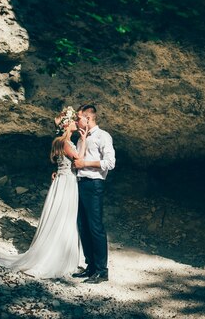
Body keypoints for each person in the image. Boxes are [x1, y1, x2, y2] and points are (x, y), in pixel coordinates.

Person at [0, 106, 87, 279]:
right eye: (73, 120)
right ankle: (57, 257)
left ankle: (63, 253)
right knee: (64, 216)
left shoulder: (61, 142)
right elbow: (78, 160)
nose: (76, 123)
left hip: (64, 180)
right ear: (67, 125)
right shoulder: (65, 142)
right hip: (66, 182)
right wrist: (85, 141)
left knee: (63, 216)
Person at [71, 104, 115, 284]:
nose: (76, 121)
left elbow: (110, 163)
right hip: (79, 183)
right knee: (83, 225)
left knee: (95, 227)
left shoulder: (103, 136)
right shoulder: (82, 137)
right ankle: (90, 267)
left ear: (88, 118)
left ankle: (102, 271)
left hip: (94, 184)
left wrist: (85, 164)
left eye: (78, 118)